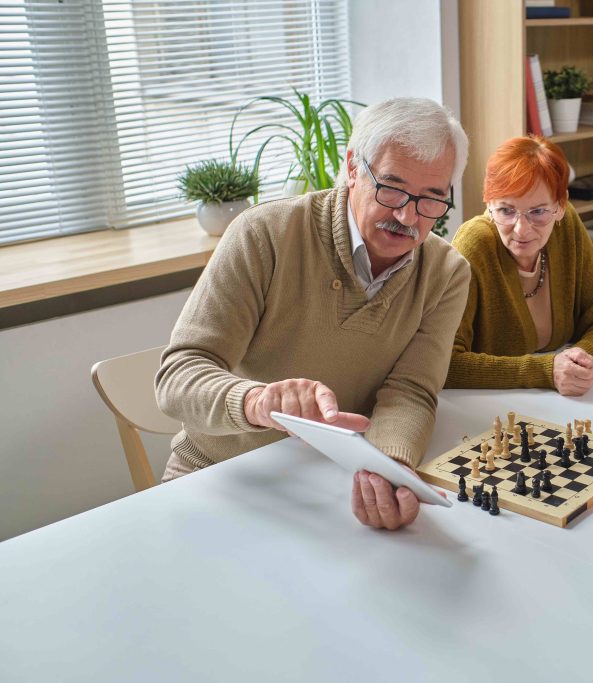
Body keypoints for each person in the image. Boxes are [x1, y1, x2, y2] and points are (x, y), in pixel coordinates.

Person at [156, 97, 471, 531]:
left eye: (431, 199)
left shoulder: (447, 273)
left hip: (332, 483)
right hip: (218, 473)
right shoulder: (265, 233)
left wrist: (387, 466)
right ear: (354, 167)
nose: (407, 216)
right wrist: (257, 402)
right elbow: (178, 376)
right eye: (393, 188)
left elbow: (411, 391)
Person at [445, 136, 593, 396]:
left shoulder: (565, 227)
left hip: (557, 403)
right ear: (488, 204)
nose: (521, 230)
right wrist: (546, 371)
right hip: (489, 409)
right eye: (506, 210)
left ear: (560, 206)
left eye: (538, 212)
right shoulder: (474, 244)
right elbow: (445, 363)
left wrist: (579, 358)